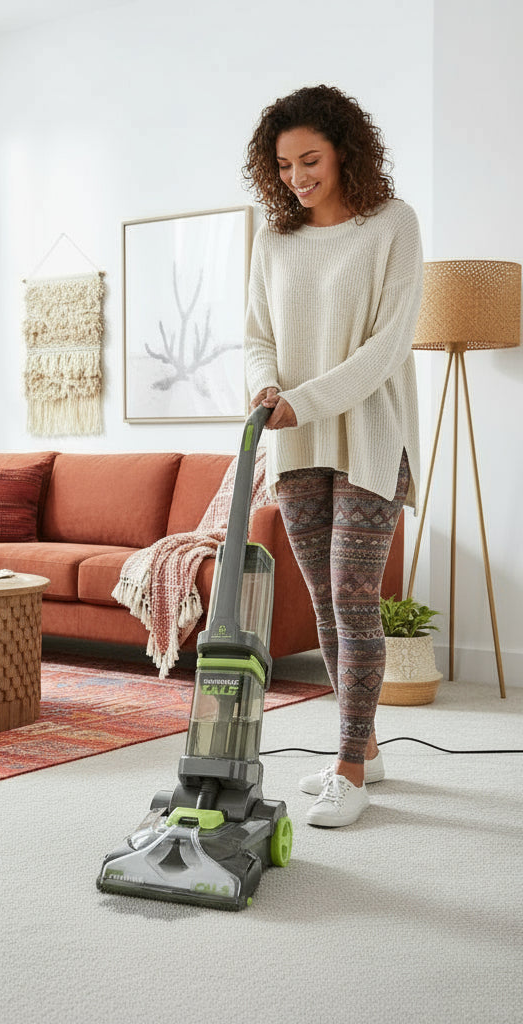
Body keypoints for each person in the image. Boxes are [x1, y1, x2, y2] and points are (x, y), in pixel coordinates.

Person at [241, 84, 423, 827]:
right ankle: (365, 744)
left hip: (371, 434)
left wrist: (302, 400)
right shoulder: (273, 236)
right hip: (294, 440)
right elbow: (256, 334)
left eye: (308, 160)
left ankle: (349, 769)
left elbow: (388, 345)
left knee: (354, 599)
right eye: (282, 166)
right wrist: (264, 387)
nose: (296, 178)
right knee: (324, 605)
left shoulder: (393, 225)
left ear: (345, 150)